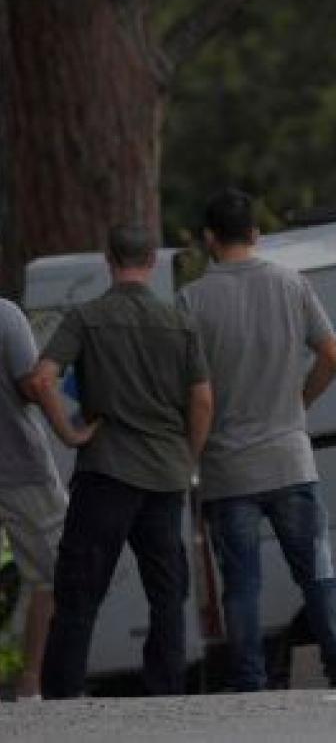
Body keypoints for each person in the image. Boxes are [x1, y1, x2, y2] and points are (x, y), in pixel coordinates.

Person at [178, 187, 336, 691]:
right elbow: (333, 356)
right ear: (255, 234)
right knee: (318, 574)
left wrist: (188, 458)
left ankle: (249, 683)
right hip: (291, 461)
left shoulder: (191, 301)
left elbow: (191, 391)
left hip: (228, 471)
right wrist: (298, 402)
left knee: (241, 587)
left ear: (209, 239)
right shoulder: (292, 284)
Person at [25, 223, 213, 699]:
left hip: (105, 471)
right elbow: (203, 400)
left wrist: (69, 433)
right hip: (164, 475)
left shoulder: (86, 318)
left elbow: (42, 379)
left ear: (109, 260)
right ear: (150, 261)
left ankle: (63, 694)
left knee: (79, 591)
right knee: (167, 593)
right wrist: (187, 457)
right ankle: (164, 691)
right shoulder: (180, 323)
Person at [0, 298, 87, 699]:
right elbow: (33, 384)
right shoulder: (5, 315)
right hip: (18, 467)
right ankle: (34, 684)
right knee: (55, 573)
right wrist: (70, 432)